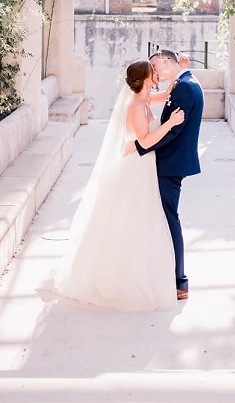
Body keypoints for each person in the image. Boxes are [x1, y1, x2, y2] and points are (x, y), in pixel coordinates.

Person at [55, 60, 184, 312]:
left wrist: (177, 74)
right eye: (153, 71)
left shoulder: (144, 99)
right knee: (129, 222)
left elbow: (161, 98)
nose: (156, 72)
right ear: (145, 78)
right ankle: (120, 279)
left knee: (140, 223)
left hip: (143, 168)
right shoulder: (136, 105)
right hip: (134, 168)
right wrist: (170, 124)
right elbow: (145, 141)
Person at [137, 49, 204, 300]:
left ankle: (179, 281)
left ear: (166, 62)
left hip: (170, 163)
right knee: (165, 218)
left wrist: (141, 147)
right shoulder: (185, 82)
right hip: (171, 162)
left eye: (155, 66)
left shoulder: (185, 88)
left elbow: (173, 132)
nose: (154, 72)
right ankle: (170, 275)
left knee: (169, 220)